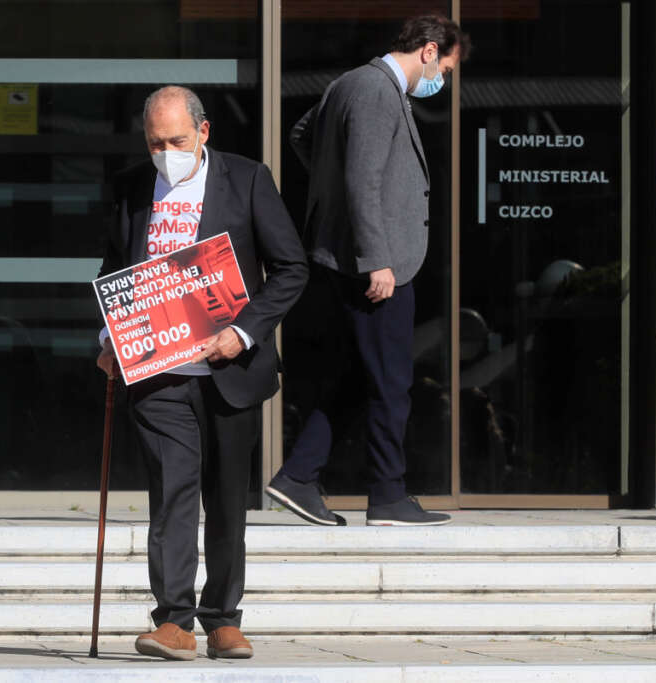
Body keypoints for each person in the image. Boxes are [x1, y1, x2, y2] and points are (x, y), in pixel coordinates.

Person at [96, 86, 307, 660]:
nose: (166, 152)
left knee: (226, 498)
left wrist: (242, 332)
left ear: (204, 132)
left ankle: (223, 618)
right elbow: (116, 271)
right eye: (156, 142)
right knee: (172, 495)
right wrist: (110, 338)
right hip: (158, 373)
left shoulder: (247, 179)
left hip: (229, 370)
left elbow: (291, 267)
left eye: (178, 141)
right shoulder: (131, 188)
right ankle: (173, 620)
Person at [266, 15, 469, 527]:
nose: (441, 78)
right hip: (375, 264)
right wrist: (375, 255)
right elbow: (361, 177)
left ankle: (298, 477)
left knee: (362, 375)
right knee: (392, 382)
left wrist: (329, 192)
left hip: (354, 255)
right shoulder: (378, 91)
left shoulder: (348, 83)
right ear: (428, 50)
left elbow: (301, 133)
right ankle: (387, 496)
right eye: (444, 66)